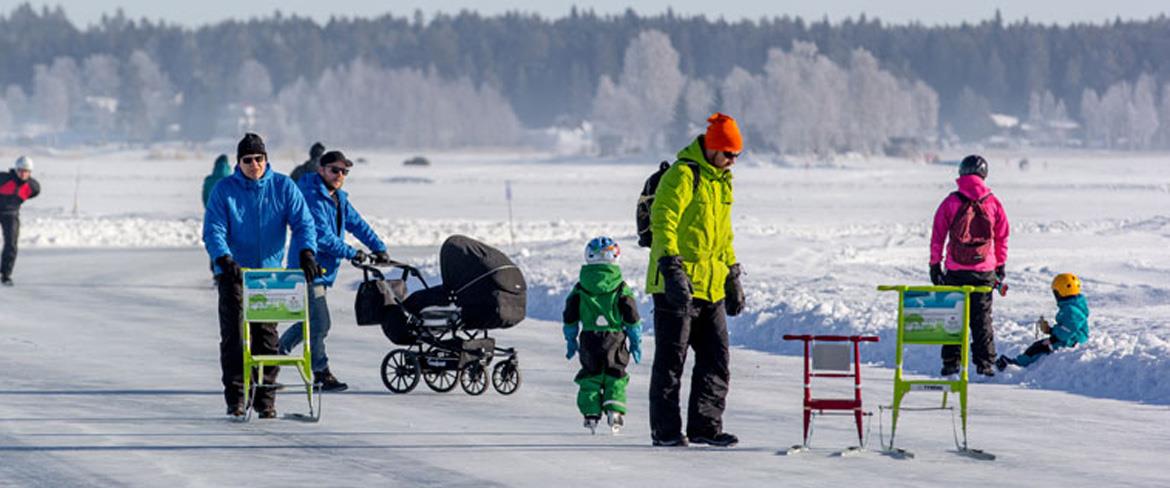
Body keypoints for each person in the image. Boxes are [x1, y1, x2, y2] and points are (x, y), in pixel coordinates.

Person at [203, 132, 319, 419]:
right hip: (234, 275)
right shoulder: (224, 190)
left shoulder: (283, 187)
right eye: (247, 160)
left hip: (268, 277)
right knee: (234, 338)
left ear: (266, 159)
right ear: (238, 162)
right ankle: (237, 398)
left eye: (259, 159)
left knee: (266, 339)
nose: (254, 164)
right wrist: (223, 258)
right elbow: (213, 229)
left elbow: (303, 223)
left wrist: (306, 251)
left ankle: (265, 399)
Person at [646, 113, 745, 448]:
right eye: (729, 154)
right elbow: (663, 222)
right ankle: (666, 431)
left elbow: (724, 235)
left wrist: (732, 275)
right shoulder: (682, 175)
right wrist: (671, 268)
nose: (733, 161)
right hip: (676, 285)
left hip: (712, 285)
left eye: (737, 156)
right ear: (714, 148)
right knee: (671, 363)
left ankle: (705, 427)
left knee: (716, 360)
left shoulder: (722, 181)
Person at [281, 150, 389, 392]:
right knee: (320, 323)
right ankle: (320, 372)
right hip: (306, 269)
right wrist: (353, 253)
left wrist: (378, 247)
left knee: (308, 321)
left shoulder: (338, 198)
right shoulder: (311, 196)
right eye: (335, 170)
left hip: (323, 271)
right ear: (321, 169)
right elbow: (321, 237)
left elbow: (357, 224)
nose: (340, 175)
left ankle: (272, 360)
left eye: (344, 171)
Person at [929, 154, 1010, 377]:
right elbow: (1002, 236)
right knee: (982, 318)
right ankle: (986, 364)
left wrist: (935, 264)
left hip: (955, 271)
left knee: (953, 316)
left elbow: (938, 235)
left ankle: (951, 363)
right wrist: (1000, 264)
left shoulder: (951, 201)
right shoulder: (993, 202)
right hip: (984, 272)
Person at [562, 236, 642, 434]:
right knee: (615, 375)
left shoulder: (580, 288)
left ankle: (590, 413)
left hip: (590, 339)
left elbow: (570, 315)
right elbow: (631, 316)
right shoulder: (621, 287)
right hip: (615, 339)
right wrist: (635, 340)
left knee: (591, 377)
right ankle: (614, 411)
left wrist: (571, 338)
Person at [997, 273, 1089, 370]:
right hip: (1071, 338)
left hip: (1072, 341)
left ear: (1060, 292)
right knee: (1039, 345)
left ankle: (1017, 366)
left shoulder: (1070, 309)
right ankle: (1018, 362)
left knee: (1039, 348)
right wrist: (1050, 330)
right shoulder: (1073, 305)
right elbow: (1067, 328)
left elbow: (1068, 330)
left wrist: (1052, 338)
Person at [0, 156, 40, 287]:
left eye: (26, 171)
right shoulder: (4, 178)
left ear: (30, 173)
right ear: (16, 170)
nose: (23, 174)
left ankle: (5, 275)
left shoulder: (33, 187)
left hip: (11, 215)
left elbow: (33, 192)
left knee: (11, 244)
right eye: (20, 170)